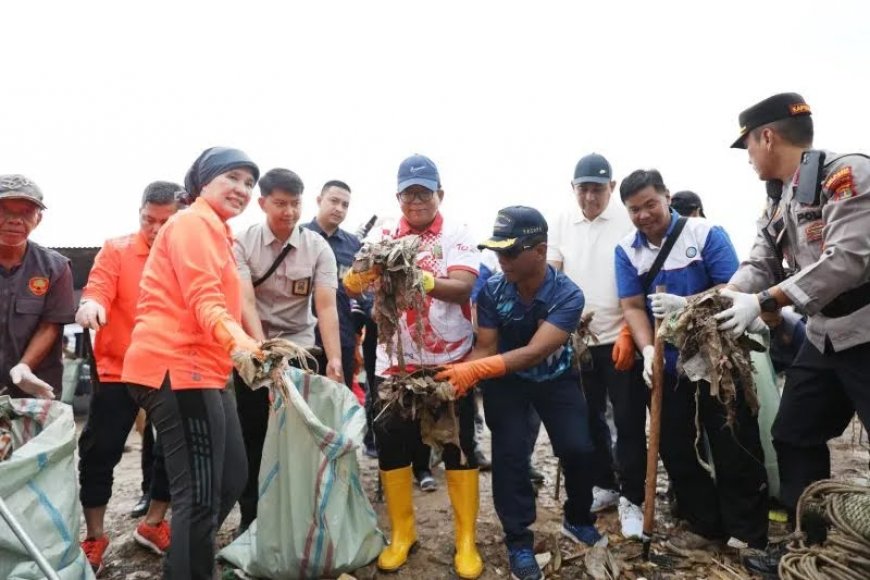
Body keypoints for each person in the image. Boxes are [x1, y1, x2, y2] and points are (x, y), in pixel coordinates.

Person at [716, 92, 870, 574]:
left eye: (748, 148)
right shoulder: (780, 197)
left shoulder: (846, 176)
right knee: (794, 434)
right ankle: (812, 545)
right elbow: (760, 260)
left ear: (767, 137)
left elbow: (846, 261)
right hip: (825, 336)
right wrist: (718, 299)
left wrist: (764, 303)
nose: (749, 160)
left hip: (865, 330)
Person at [438, 206, 601, 580]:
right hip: (507, 385)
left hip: (555, 378)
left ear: (540, 251)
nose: (501, 259)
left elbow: (534, 352)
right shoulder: (493, 291)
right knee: (510, 456)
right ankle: (518, 541)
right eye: (497, 251)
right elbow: (486, 346)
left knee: (578, 448)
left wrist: (478, 367)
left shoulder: (567, 295)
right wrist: (463, 376)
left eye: (510, 252)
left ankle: (577, 517)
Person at [121, 147, 261, 579]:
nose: (242, 189)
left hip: (208, 369)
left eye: (249, 183)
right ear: (204, 182)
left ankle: (183, 562)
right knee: (198, 497)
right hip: (176, 368)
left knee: (230, 478)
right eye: (232, 177)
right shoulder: (192, 223)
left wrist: (247, 348)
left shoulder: (218, 231)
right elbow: (206, 299)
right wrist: (245, 348)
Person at [615, 169, 769, 557]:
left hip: (717, 357)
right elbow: (632, 306)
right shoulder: (626, 249)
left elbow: (732, 287)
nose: (644, 215)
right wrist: (648, 349)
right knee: (674, 446)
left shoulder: (705, 234)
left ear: (666, 196)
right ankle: (706, 522)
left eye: (650, 204)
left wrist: (689, 304)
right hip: (668, 366)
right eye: (634, 209)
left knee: (733, 442)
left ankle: (747, 532)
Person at [343, 154, 482, 578]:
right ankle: (403, 534)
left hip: (449, 362)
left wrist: (422, 279)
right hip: (394, 364)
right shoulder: (384, 232)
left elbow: (465, 285)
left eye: (424, 192)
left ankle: (465, 541)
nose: (416, 199)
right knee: (392, 445)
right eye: (408, 193)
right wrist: (364, 274)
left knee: (458, 446)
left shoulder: (456, 233)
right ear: (398, 196)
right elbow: (352, 282)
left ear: (440, 194)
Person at [76, 181, 182, 572]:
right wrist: (90, 305)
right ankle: (94, 535)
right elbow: (98, 287)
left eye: (164, 221)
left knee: (172, 451)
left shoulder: (185, 256)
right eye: (148, 220)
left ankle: (154, 523)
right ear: (139, 213)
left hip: (168, 368)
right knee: (99, 449)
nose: (155, 229)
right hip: (118, 368)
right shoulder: (117, 249)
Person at [233, 167, 342, 532]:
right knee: (254, 435)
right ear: (262, 203)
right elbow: (245, 301)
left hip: (302, 350)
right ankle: (252, 518)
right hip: (255, 348)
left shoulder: (317, 247)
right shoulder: (241, 243)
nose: (289, 212)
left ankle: (303, 514)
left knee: (303, 434)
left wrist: (336, 360)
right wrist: (262, 352)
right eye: (280, 203)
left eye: (295, 204)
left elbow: (326, 306)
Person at [547, 153, 646, 539]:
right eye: (583, 189)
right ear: (573, 188)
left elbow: (640, 274)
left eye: (598, 189)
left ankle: (633, 498)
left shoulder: (626, 219)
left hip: (621, 337)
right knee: (587, 420)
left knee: (628, 419)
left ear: (613, 187)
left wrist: (629, 332)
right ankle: (604, 485)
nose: (590, 197)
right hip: (580, 340)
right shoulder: (560, 222)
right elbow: (554, 275)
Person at [0, 175, 75, 399]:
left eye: (25, 212)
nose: (15, 220)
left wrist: (24, 367)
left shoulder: (55, 267)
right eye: (4, 211)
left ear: (38, 219)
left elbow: (50, 325)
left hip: (35, 390)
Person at [304, 179, 361, 388]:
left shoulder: (354, 245)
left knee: (336, 406)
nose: (339, 209)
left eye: (345, 205)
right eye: (334, 201)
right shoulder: (298, 236)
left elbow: (362, 291)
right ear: (320, 200)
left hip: (342, 339)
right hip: (303, 339)